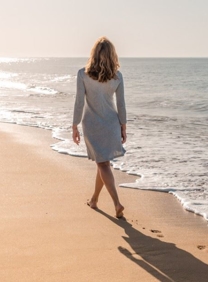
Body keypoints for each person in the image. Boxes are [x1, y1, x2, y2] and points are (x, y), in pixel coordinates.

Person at [72, 36, 127, 218]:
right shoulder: (117, 76)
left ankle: (117, 204)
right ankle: (94, 199)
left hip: (92, 124)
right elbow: (121, 105)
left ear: (93, 54)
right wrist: (123, 127)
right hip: (111, 124)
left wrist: (74, 125)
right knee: (103, 163)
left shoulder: (83, 74)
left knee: (102, 163)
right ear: (112, 55)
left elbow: (79, 102)